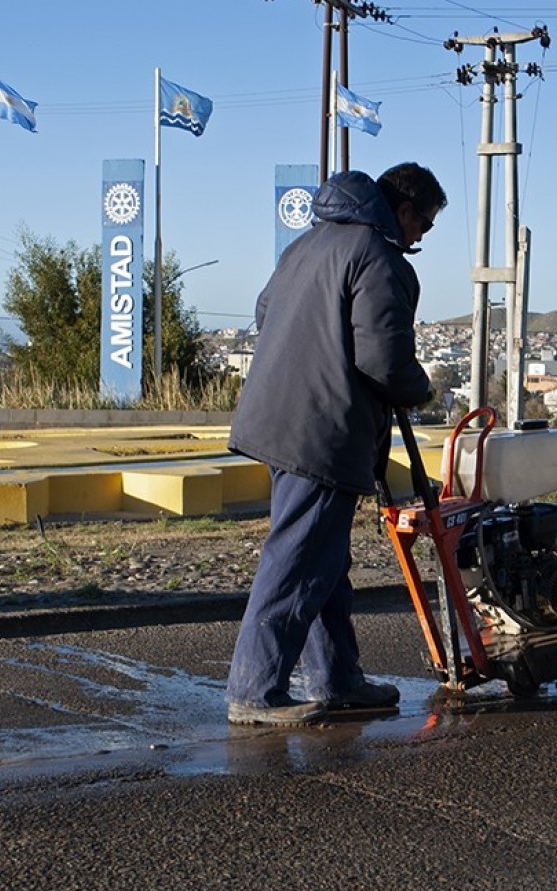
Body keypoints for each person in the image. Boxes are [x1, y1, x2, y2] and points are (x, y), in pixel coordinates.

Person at [224, 163, 445, 726]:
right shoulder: (378, 257)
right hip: (322, 429)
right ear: (401, 210)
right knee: (297, 559)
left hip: (280, 420)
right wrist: (420, 387)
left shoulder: (305, 247)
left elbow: (264, 312)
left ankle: (337, 678)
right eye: (424, 221)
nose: (422, 235)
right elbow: (382, 360)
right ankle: (255, 689)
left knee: (322, 558)